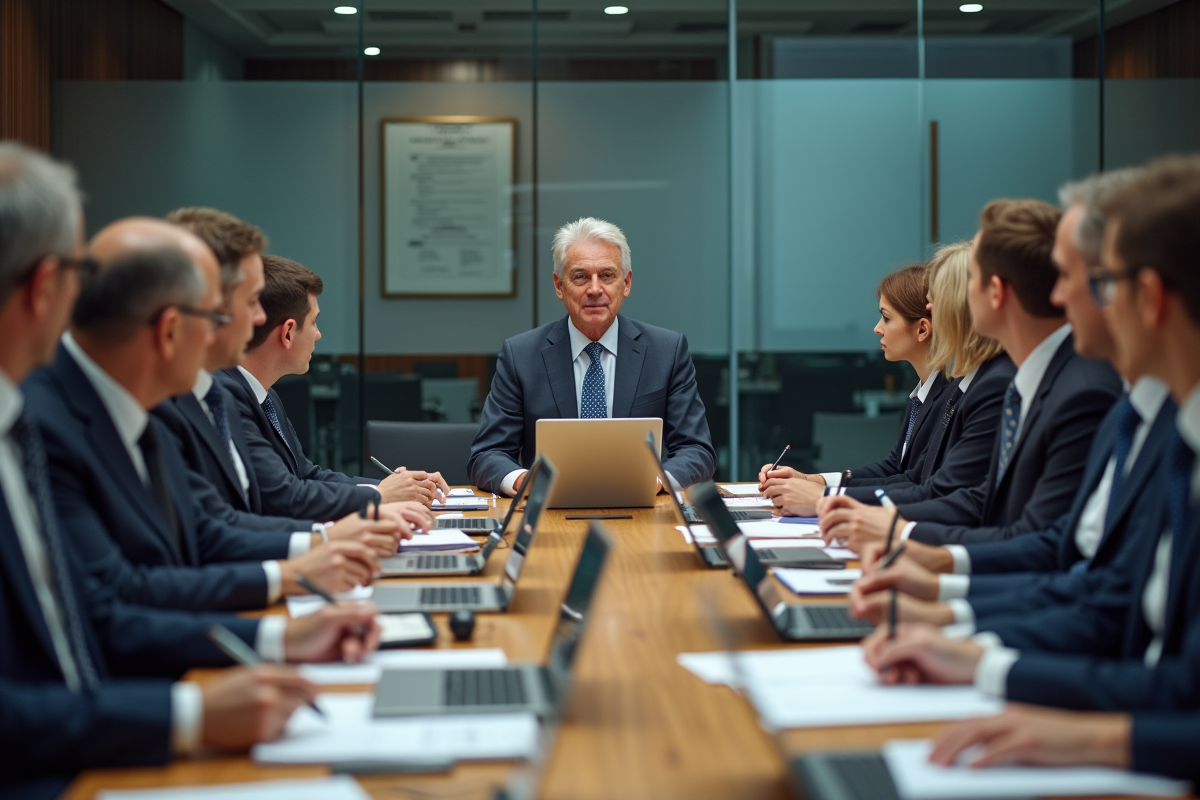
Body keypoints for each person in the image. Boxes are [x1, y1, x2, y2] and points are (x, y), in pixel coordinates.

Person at [0, 141, 380, 800]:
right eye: (221, 314)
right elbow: (109, 608)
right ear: (44, 287)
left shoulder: (120, 411)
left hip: (109, 734)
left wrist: (280, 635)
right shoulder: (45, 419)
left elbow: (166, 561)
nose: (243, 327)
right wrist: (193, 712)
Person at [862, 155, 1200, 715]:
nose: (1060, 297)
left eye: (1094, 280)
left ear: (1150, 296)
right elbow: (1098, 587)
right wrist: (958, 623)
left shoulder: (1096, 397)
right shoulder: (1130, 414)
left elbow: (1087, 584)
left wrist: (960, 622)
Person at [23, 219, 381, 611]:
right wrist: (286, 599)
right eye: (220, 313)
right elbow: (117, 601)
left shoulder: (181, 398)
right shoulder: (48, 422)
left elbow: (203, 529)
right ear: (171, 329)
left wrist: (306, 563)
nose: (258, 320)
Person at [818, 199, 1122, 548]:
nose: (932, 308)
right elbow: (974, 497)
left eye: (970, 280)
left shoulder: (1029, 386)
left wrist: (894, 531)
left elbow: (1036, 539)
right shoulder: (1008, 382)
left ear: (996, 292)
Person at [153, 208, 431, 547]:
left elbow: (298, 478)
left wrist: (382, 493)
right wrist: (346, 522)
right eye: (250, 302)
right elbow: (274, 501)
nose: (259, 317)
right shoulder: (209, 397)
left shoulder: (234, 395)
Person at [468, 217, 716, 494]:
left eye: (607, 275)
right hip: (549, 510)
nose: (595, 289)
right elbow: (487, 455)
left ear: (626, 283)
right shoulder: (521, 356)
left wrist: (657, 481)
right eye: (580, 276)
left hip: (644, 507)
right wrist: (524, 481)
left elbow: (696, 450)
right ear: (559, 286)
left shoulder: (666, 352)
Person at [218, 255, 449, 521]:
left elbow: (307, 475)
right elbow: (285, 496)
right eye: (314, 322)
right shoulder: (228, 398)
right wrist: (380, 495)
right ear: (288, 332)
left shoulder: (267, 396)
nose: (318, 334)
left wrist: (394, 488)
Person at [759, 259, 949, 515]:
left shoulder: (950, 398)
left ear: (922, 329)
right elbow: (895, 468)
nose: (877, 329)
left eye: (886, 318)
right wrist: (813, 481)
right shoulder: (924, 393)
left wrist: (824, 497)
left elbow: (915, 483)